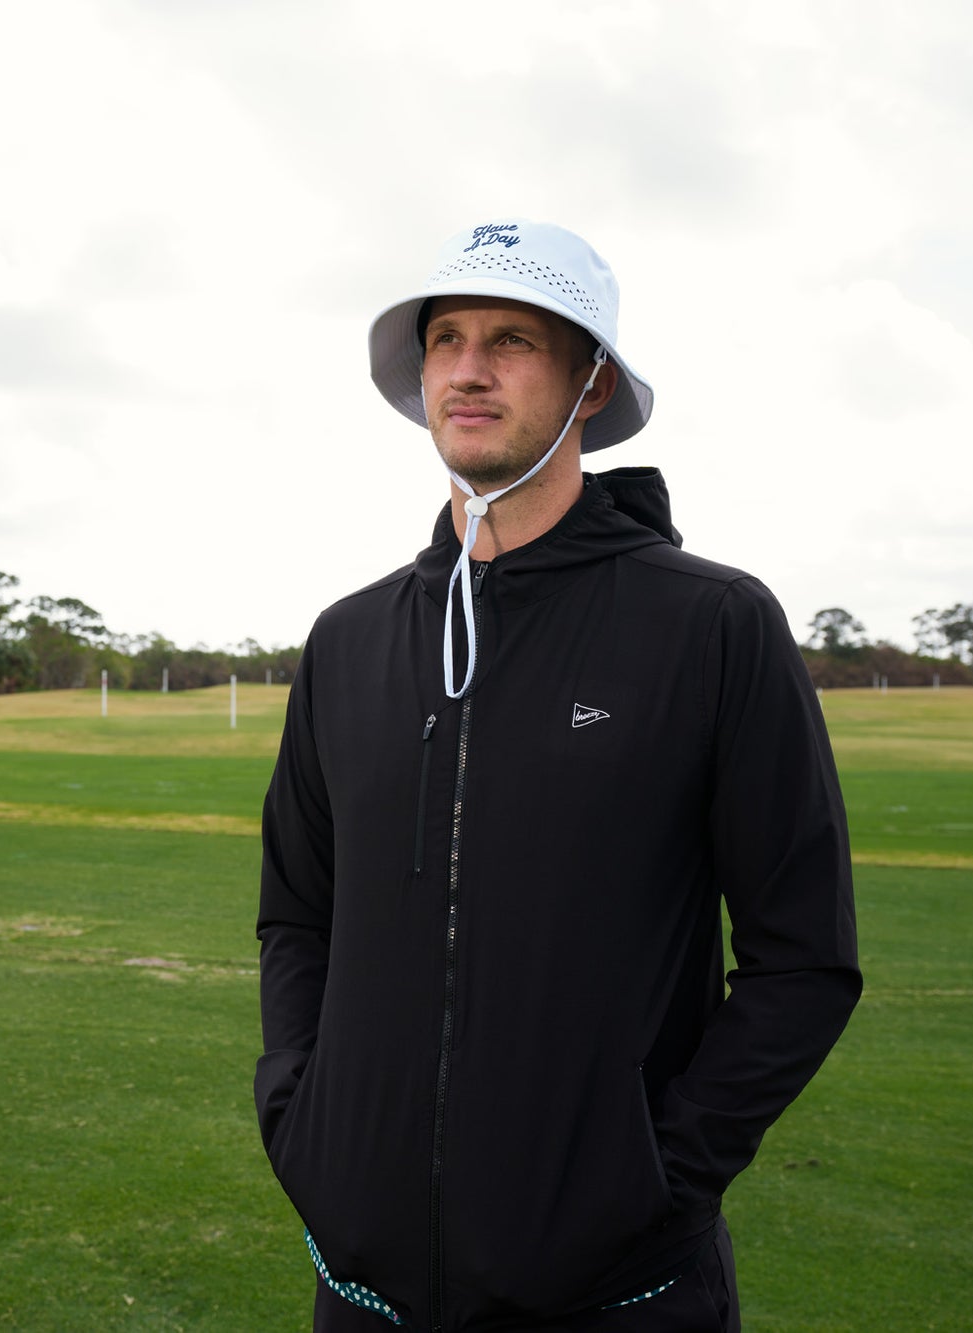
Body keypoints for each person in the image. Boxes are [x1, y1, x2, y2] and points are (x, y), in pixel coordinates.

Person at [255, 219, 862, 1332]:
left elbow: (804, 958)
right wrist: (301, 1115)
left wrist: (657, 1182)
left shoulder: (711, 623)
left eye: (513, 341)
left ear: (592, 384)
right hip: (364, 1286)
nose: (468, 369)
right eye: (445, 339)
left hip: (618, 1293)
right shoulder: (348, 639)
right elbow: (297, 915)